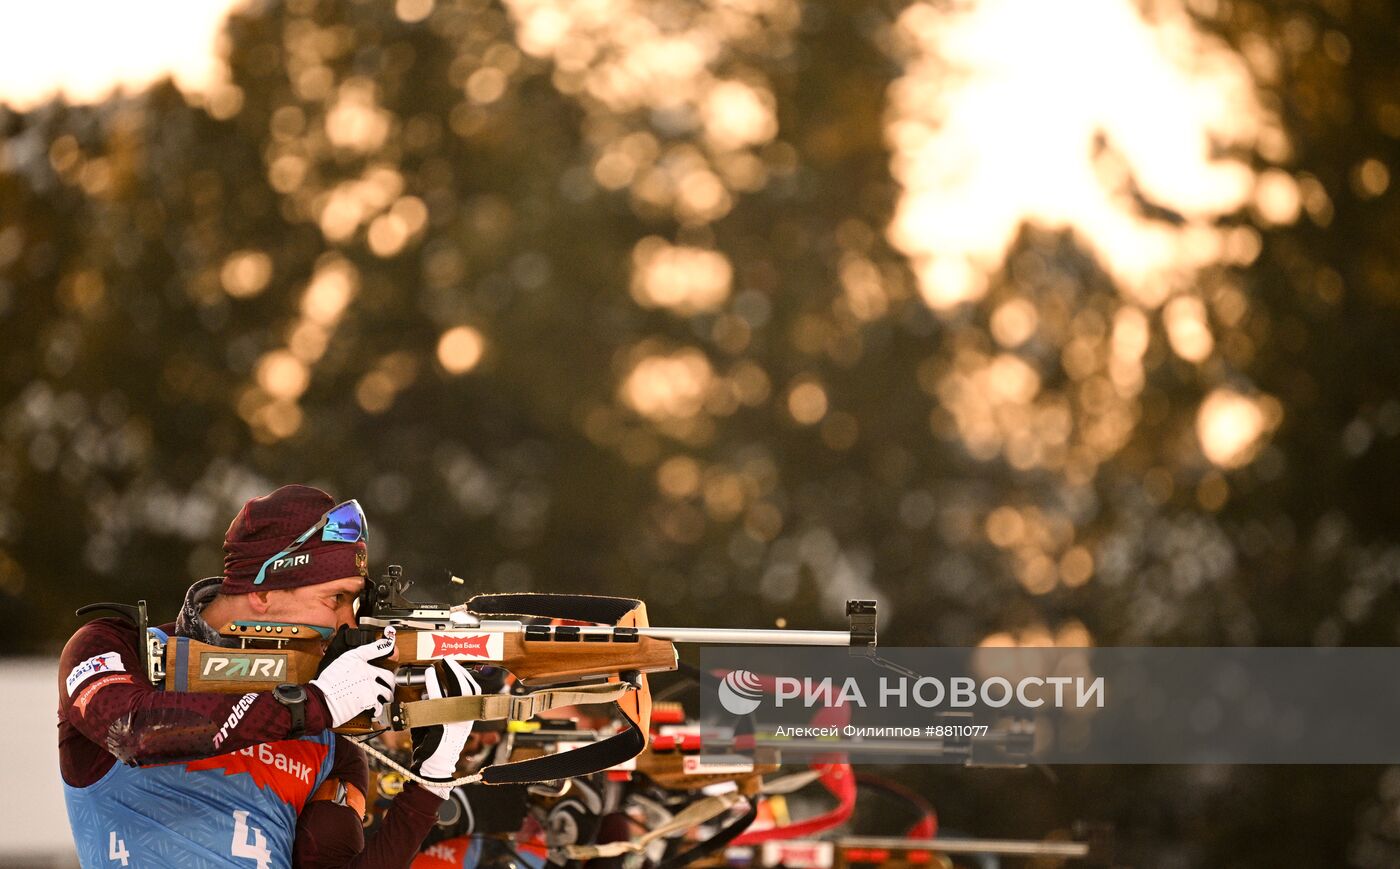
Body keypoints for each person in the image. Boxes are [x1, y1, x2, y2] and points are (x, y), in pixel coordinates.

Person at [57, 484, 478, 868]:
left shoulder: (329, 734)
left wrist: (432, 779)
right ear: (261, 592)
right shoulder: (117, 648)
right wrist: (313, 705)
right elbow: (135, 732)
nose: (350, 622)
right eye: (336, 598)